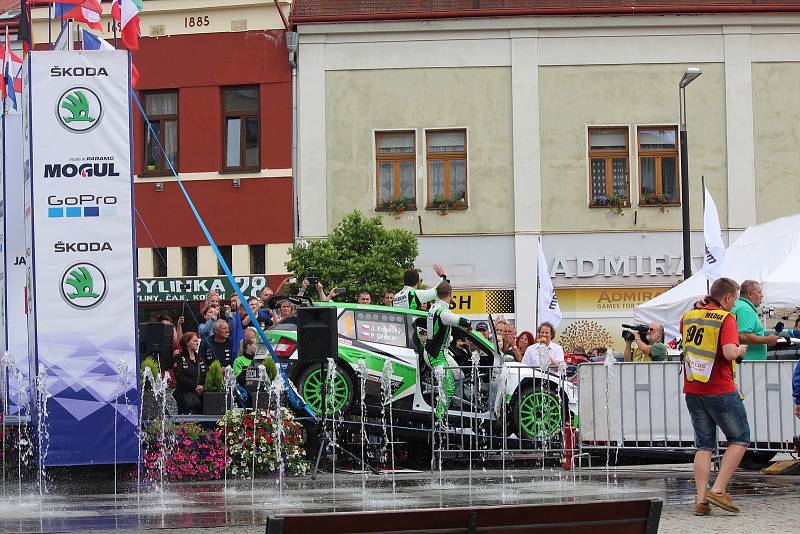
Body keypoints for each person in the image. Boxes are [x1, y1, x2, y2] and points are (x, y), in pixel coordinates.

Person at [681, 277, 750, 516]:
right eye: (735, 299)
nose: (735, 304)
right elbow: (729, 352)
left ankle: (701, 501)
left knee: (704, 445)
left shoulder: (689, 316)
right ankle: (718, 489)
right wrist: (741, 349)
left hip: (692, 388)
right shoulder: (726, 318)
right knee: (740, 438)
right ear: (728, 297)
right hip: (719, 388)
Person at [426, 281, 471, 421]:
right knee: (448, 387)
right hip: (436, 356)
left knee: (459, 375)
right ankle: (439, 421)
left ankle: (457, 408)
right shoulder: (443, 312)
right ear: (451, 295)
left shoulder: (434, 307)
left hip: (437, 352)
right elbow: (461, 320)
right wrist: (469, 325)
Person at [731, 280, 779, 361]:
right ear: (749, 294)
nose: (762, 296)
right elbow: (743, 335)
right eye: (759, 292)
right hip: (748, 364)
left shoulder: (738, 306)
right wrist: (768, 340)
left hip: (745, 364)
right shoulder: (745, 309)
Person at [173, 332, 207, 414]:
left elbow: (206, 375)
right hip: (184, 396)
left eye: (197, 341)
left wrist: (203, 387)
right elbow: (179, 377)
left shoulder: (201, 359)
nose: (197, 343)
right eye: (195, 341)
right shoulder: (179, 358)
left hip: (200, 397)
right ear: (187, 342)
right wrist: (194, 386)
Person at [232, 334, 258, 408]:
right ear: (248, 346)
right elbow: (238, 379)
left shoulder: (258, 360)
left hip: (256, 393)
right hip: (245, 394)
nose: (257, 348)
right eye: (255, 345)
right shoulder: (238, 361)